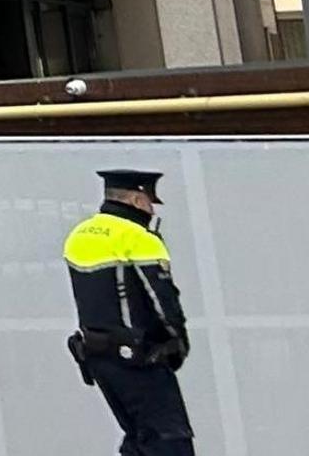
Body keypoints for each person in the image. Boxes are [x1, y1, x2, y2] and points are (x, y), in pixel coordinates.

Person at [65, 167, 196, 456]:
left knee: (138, 438)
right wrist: (178, 343)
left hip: (99, 358)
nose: (151, 209)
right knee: (169, 440)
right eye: (149, 201)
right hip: (139, 358)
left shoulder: (80, 234)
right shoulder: (138, 238)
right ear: (137, 200)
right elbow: (163, 302)